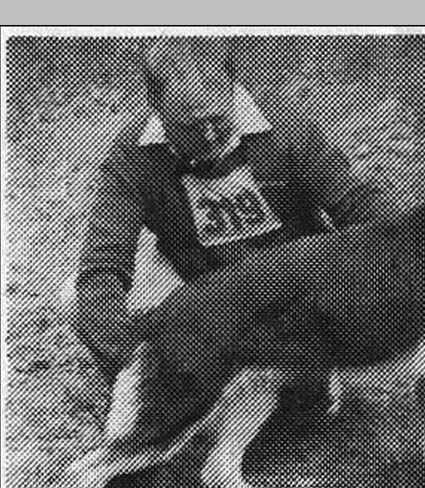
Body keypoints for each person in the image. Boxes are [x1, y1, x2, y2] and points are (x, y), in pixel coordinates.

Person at [66, 37, 381, 408]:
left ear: (232, 89)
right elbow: (103, 261)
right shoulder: (133, 155)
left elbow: (357, 203)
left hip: (292, 290)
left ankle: (306, 374)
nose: (209, 136)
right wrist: (132, 355)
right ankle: (170, 390)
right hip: (200, 286)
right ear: (156, 108)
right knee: (76, 296)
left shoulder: (286, 129)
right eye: (189, 126)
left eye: (217, 119)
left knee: (301, 397)